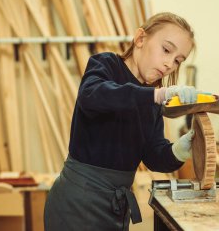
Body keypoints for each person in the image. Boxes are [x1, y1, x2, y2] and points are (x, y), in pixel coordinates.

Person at [44, 12, 206, 231]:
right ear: (140, 39)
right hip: (77, 202)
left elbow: (153, 156)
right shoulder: (107, 65)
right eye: (166, 50)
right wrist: (156, 95)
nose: (170, 64)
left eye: (178, 61)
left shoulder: (152, 102)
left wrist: (179, 150)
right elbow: (92, 95)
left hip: (115, 207)